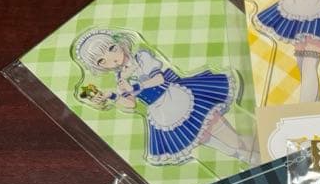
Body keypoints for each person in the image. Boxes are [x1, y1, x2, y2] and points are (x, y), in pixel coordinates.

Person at [74, 28, 256, 165]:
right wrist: (110, 96)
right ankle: (247, 158)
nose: (111, 59)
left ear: (120, 43)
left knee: (225, 134)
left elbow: (159, 79)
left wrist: (135, 86)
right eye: (101, 60)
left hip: (177, 97)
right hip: (162, 114)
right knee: (206, 140)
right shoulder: (120, 77)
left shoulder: (141, 57)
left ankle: (256, 152)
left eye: (111, 48)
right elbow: (130, 104)